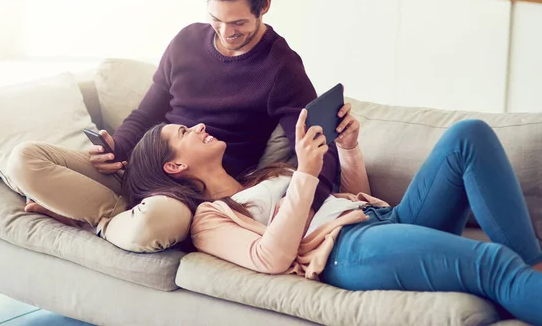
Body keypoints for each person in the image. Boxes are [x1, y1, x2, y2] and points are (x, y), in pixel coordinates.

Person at [7, 0, 339, 246]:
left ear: (264, 6)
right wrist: (117, 147)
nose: (225, 34)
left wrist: (308, 206)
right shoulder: (186, 42)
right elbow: (147, 113)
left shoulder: (281, 66)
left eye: (238, 23)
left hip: (190, 192)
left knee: (156, 223)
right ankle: (115, 213)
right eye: (216, 20)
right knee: (23, 160)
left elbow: (318, 143)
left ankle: (100, 218)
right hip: (141, 163)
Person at [123, 102, 542, 325]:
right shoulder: (209, 219)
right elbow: (271, 258)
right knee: (491, 263)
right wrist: (305, 172)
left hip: (380, 220)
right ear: (174, 166)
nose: (195, 127)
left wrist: (348, 147)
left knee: (467, 136)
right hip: (349, 251)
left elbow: (347, 199)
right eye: (182, 133)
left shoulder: (256, 177)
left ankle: (533, 266)